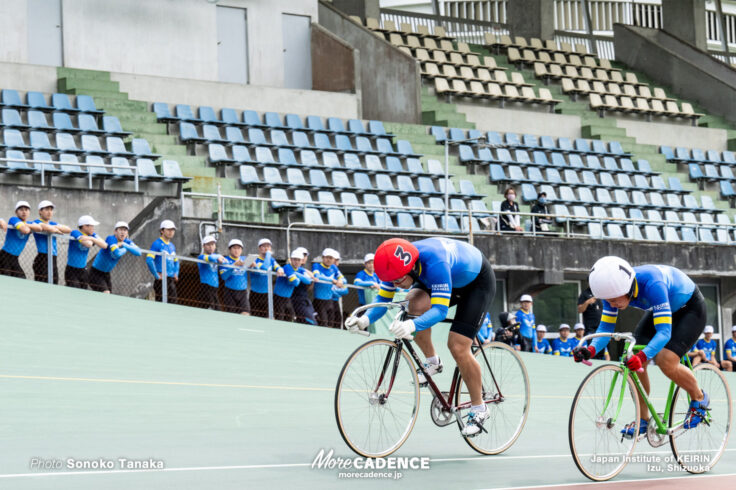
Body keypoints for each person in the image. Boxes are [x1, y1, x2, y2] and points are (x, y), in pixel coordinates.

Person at [345, 237, 496, 437]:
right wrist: (364, 320)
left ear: (412, 268)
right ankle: (433, 361)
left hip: (475, 283)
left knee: (458, 346)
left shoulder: (435, 262)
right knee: (413, 306)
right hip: (441, 277)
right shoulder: (393, 266)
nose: (396, 285)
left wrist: (412, 325)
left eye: (399, 280)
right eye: (393, 281)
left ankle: (479, 409)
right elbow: (384, 299)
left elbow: (440, 310)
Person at [573, 256, 710, 435]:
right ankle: (644, 420)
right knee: (632, 359)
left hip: (689, 309)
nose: (611, 304)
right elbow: (605, 328)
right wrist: (590, 350)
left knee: (665, 360)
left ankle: (699, 397)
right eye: (608, 301)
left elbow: (664, 333)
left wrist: (643, 356)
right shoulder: (612, 291)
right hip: (660, 308)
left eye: (614, 300)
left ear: (626, 288)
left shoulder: (652, 284)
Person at [88, 221, 141, 293]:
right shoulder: (111, 239)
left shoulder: (126, 242)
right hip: (95, 273)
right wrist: (126, 248)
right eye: (120, 230)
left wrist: (124, 245)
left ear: (127, 233)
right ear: (115, 231)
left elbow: (138, 252)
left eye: (125, 230)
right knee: (106, 293)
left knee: (108, 297)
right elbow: (117, 253)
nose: (123, 232)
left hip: (106, 274)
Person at [31, 200, 71, 284]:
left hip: (53, 257)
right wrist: (55, 229)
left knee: (54, 282)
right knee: (42, 283)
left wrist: (54, 227)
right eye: (46, 209)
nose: (49, 212)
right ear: (40, 211)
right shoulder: (36, 222)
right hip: (43, 257)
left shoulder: (53, 223)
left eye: (51, 209)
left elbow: (68, 229)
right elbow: (44, 227)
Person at [0, 201, 42, 278]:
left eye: (26, 210)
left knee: (22, 278)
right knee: (6, 279)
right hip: (4, 256)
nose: (24, 212)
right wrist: (30, 227)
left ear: (29, 212)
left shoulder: (29, 222)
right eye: (21, 209)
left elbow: (39, 228)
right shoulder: (13, 219)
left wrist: (26, 224)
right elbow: (25, 230)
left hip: (14, 258)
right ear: (16, 212)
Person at [66, 215, 107, 289]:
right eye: (92, 226)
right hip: (71, 271)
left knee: (83, 293)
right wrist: (93, 240)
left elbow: (105, 245)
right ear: (84, 226)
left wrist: (91, 238)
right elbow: (88, 244)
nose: (93, 228)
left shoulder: (92, 235)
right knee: (74, 292)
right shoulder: (75, 232)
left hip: (83, 270)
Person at [249, 238, 285, 317]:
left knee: (266, 316)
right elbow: (265, 267)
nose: (266, 248)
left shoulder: (271, 260)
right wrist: (268, 254)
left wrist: (280, 269)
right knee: (255, 316)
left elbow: (278, 267)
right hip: (255, 293)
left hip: (267, 293)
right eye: (263, 246)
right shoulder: (255, 259)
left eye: (268, 246)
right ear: (259, 248)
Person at [273, 249, 312, 321]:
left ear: (301, 261)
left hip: (287, 298)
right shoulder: (287, 267)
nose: (296, 262)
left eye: (298, 260)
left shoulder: (300, 269)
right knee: (280, 318)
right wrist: (300, 277)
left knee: (290, 317)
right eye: (295, 259)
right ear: (291, 259)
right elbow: (295, 282)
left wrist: (297, 275)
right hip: (278, 297)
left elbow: (308, 281)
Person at [146, 220, 179, 303]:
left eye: (173, 230)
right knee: (161, 303)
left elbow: (176, 261)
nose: (171, 232)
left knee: (173, 302)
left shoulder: (172, 246)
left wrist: (176, 273)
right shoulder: (157, 243)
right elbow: (149, 260)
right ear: (162, 231)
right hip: (161, 279)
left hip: (170, 279)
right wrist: (156, 275)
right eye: (168, 229)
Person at [312, 248, 345, 328]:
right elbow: (317, 276)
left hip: (329, 300)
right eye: (327, 257)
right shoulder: (316, 265)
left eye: (331, 258)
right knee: (324, 323)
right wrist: (332, 280)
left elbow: (342, 278)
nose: (329, 260)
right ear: (323, 257)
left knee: (331, 323)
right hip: (319, 301)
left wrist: (340, 281)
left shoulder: (334, 268)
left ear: (334, 259)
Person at [219, 239, 250, 315]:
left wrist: (254, 266)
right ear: (230, 249)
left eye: (239, 248)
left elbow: (256, 269)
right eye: (234, 248)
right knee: (231, 314)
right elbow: (223, 277)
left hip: (243, 291)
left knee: (246, 313)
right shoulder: (225, 260)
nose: (237, 250)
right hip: (230, 291)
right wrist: (233, 266)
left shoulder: (244, 259)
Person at [290, 247, 318, 325]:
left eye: (305, 256)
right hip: (296, 299)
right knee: (311, 322)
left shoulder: (303, 270)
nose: (305, 258)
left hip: (304, 298)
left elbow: (309, 287)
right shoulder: (291, 268)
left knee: (312, 319)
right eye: (304, 255)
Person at [197, 236, 224, 310]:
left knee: (217, 310)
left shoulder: (216, 257)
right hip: (206, 287)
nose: (211, 247)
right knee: (210, 310)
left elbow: (225, 262)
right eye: (208, 245)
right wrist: (219, 256)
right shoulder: (201, 257)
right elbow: (210, 258)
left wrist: (220, 258)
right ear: (203, 246)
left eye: (212, 244)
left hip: (214, 288)